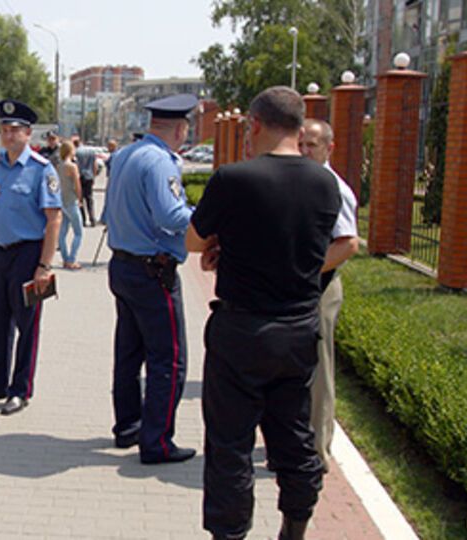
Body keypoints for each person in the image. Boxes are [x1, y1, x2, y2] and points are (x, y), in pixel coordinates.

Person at [186, 87, 340, 540]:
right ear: (299, 127)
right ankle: (294, 528)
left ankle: (230, 534)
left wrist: (223, 247)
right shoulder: (325, 182)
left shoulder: (234, 179)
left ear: (253, 124)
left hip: (242, 329)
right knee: (293, 438)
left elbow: (193, 241)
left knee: (230, 445)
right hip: (298, 328)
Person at [101, 93, 199, 465]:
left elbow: (109, 209)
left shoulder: (126, 154)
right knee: (169, 359)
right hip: (153, 271)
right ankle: (156, 441)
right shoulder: (161, 161)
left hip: (124, 265)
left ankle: (128, 426)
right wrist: (205, 216)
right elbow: (170, 216)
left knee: (128, 353)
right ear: (179, 128)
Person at [0, 99, 62, 416]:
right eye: (4, 130)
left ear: (28, 133)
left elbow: (54, 219)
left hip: (29, 255)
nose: (8, 135)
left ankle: (20, 389)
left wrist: (45, 266)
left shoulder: (41, 170)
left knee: (27, 324)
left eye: (14, 130)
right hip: (0, 254)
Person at [299, 118, 360, 472]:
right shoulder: (304, 183)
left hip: (320, 287)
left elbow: (347, 244)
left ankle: (318, 451)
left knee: (320, 369)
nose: (306, 151)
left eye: (313, 146)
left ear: (329, 148)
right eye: (302, 144)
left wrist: (304, 272)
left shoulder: (334, 188)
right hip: (301, 287)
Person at [57, 140, 83, 270]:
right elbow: (77, 185)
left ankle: (65, 258)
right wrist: (80, 199)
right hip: (71, 201)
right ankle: (71, 259)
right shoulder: (72, 166)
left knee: (62, 233)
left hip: (62, 201)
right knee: (78, 232)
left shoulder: (59, 165)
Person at [74, 138, 98, 226]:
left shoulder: (76, 152)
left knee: (80, 199)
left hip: (80, 177)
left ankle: (83, 220)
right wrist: (94, 176)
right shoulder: (91, 151)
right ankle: (92, 219)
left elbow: (75, 166)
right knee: (89, 199)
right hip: (89, 176)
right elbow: (95, 165)